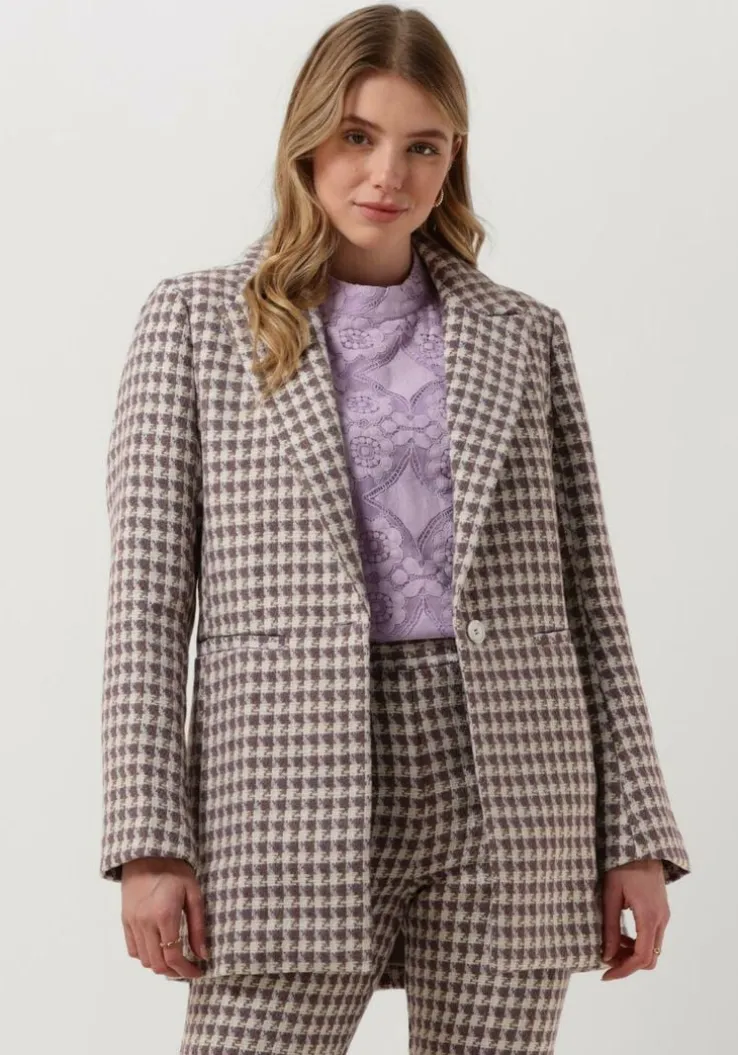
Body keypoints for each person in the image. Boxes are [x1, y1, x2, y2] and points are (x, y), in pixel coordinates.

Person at [99, 6, 692, 1053]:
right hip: (286, 777)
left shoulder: (523, 335)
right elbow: (148, 604)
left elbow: (591, 599)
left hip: (510, 775)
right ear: (307, 141)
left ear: (454, 157)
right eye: (358, 136)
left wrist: (634, 834)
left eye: (424, 146)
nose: (388, 174)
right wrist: (149, 840)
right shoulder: (195, 324)